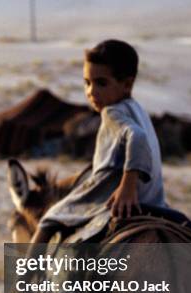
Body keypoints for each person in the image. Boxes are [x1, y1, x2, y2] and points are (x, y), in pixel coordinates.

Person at [33, 39, 167, 245]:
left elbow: (137, 137)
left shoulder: (112, 112)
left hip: (110, 193)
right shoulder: (138, 109)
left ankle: (23, 275)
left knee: (49, 218)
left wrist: (127, 186)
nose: (91, 92)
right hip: (154, 198)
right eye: (87, 82)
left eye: (101, 83)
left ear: (127, 85)